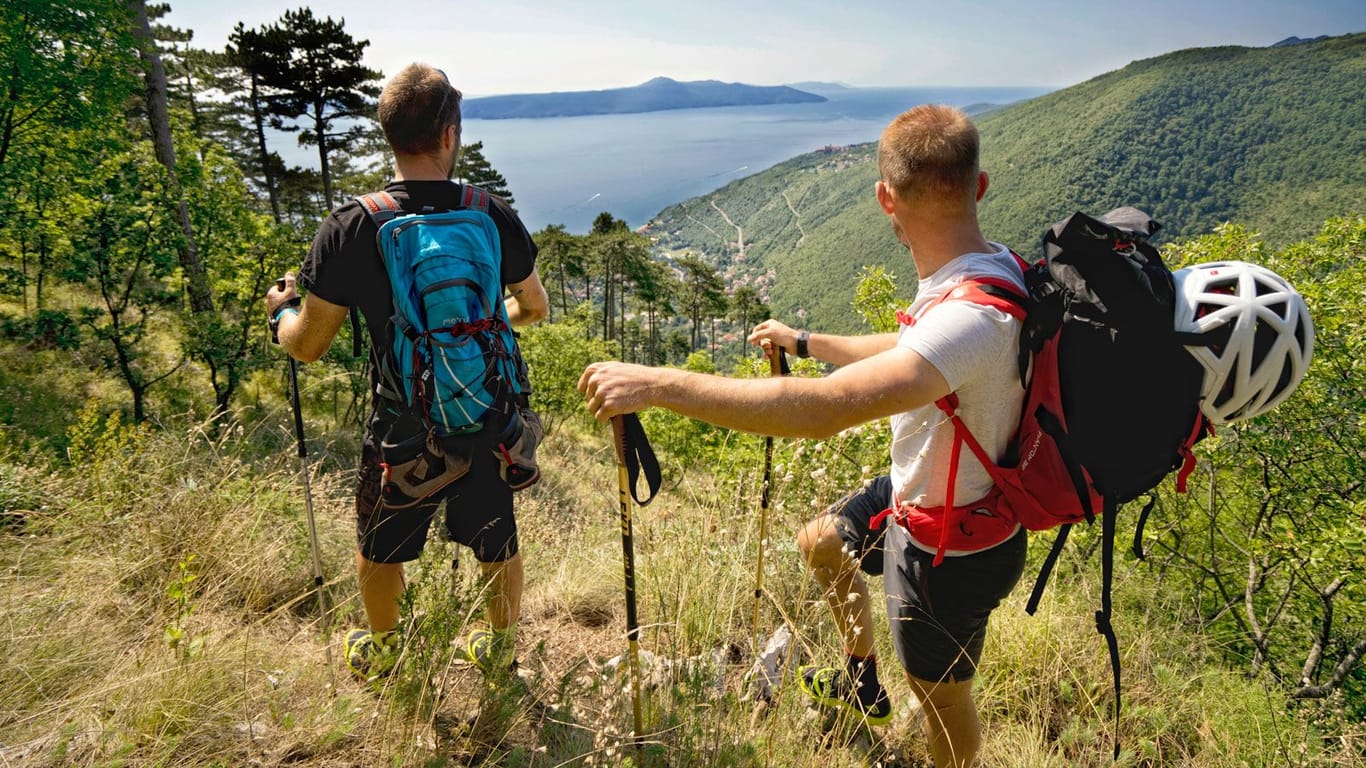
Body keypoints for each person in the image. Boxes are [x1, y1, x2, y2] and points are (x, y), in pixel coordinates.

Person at [578, 104, 1026, 767]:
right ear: (979, 185)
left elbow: (819, 411)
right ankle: (860, 677)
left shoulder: (969, 318)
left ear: (884, 199)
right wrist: (805, 340)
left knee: (941, 704)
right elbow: (915, 348)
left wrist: (657, 385)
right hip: (922, 495)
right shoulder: (987, 271)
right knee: (822, 541)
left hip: (953, 543)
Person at [265, 63, 549, 683]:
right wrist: (477, 330)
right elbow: (533, 308)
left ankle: (385, 651)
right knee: (497, 541)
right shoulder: (490, 213)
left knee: (379, 544)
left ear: (388, 134)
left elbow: (307, 344)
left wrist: (281, 310)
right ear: (450, 133)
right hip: (486, 416)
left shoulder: (352, 225)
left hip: (404, 429)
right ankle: (498, 653)